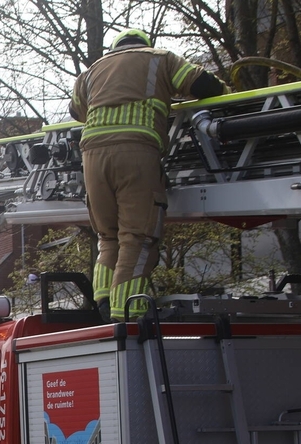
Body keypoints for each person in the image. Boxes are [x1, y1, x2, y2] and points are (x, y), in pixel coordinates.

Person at [69, 28, 226, 321]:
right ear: (144, 45)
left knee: (108, 236)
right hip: (136, 152)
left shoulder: (91, 72)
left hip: (91, 158)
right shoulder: (160, 58)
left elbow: (76, 111)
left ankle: (103, 303)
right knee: (138, 238)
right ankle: (127, 313)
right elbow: (204, 85)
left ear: (116, 48)